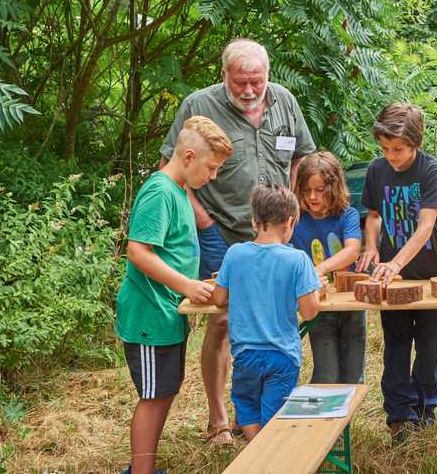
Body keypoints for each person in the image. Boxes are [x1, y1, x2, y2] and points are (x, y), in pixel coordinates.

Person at [159, 38, 316, 444]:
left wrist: (290, 209)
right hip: (222, 232)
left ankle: (265, 415)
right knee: (223, 319)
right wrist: (205, 222)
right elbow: (169, 169)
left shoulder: (284, 100)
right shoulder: (199, 106)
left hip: (276, 230)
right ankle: (218, 420)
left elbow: (301, 155)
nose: (249, 91)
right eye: (240, 82)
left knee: (274, 312)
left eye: (256, 82)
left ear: (268, 77)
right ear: (224, 75)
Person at [115, 116, 233, 474]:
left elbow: (172, 253)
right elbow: (138, 252)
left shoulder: (180, 192)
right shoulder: (160, 191)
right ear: (188, 156)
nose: (212, 176)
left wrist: (201, 284)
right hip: (149, 315)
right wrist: (187, 286)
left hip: (168, 315)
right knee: (153, 397)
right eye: (211, 168)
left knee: (165, 390)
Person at [354, 102, 437, 443]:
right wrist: (371, 245)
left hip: (430, 274)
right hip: (389, 279)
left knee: (428, 347)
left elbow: (427, 226)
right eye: (385, 149)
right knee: (396, 344)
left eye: (398, 149)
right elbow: (374, 215)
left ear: (416, 142)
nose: (391, 156)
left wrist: (397, 261)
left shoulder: (432, 171)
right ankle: (399, 416)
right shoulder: (376, 170)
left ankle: (426, 410)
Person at [212, 183, 321, 441]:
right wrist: (314, 288)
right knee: (274, 419)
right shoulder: (298, 259)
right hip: (282, 356)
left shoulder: (235, 254)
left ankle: (257, 452)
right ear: (290, 221)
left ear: (254, 221)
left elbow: (219, 299)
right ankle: (267, 457)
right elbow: (310, 311)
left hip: (245, 354)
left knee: (247, 409)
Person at [290, 152, 364, 384]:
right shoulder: (295, 221)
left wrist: (317, 269)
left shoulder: (347, 215)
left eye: (320, 190)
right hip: (318, 307)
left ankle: (346, 420)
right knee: (327, 374)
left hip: (351, 305)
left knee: (353, 374)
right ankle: (323, 418)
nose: (312, 197)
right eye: (306, 190)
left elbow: (352, 250)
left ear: (334, 187)